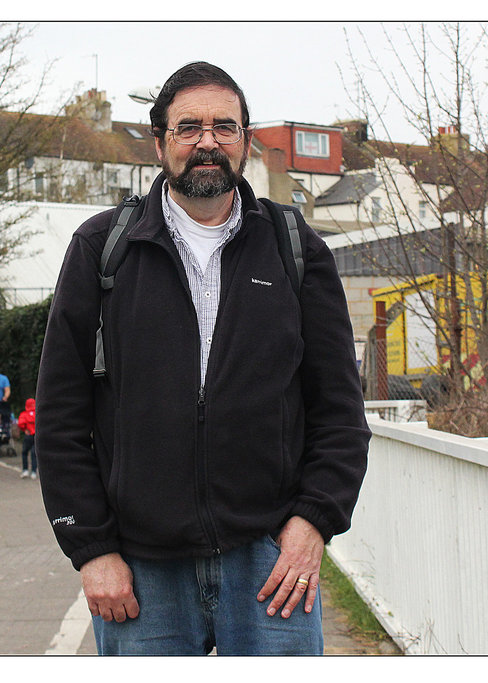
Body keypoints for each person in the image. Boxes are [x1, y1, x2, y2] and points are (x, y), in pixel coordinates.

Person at [36, 62, 370, 656]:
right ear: (160, 141)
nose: (208, 141)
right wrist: (92, 550)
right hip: (140, 571)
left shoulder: (296, 249)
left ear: (245, 141)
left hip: (272, 565)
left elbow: (340, 410)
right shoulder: (101, 249)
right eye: (190, 127)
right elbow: (63, 417)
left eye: (225, 126)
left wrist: (312, 524)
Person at [17, 398, 37, 479]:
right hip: (36, 436)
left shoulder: (24, 414)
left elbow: (21, 424)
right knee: (34, 453)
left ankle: (25, 470)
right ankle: (34, 471)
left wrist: (24, 429)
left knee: (25, 452)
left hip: (28, 435)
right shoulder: (37, 414)